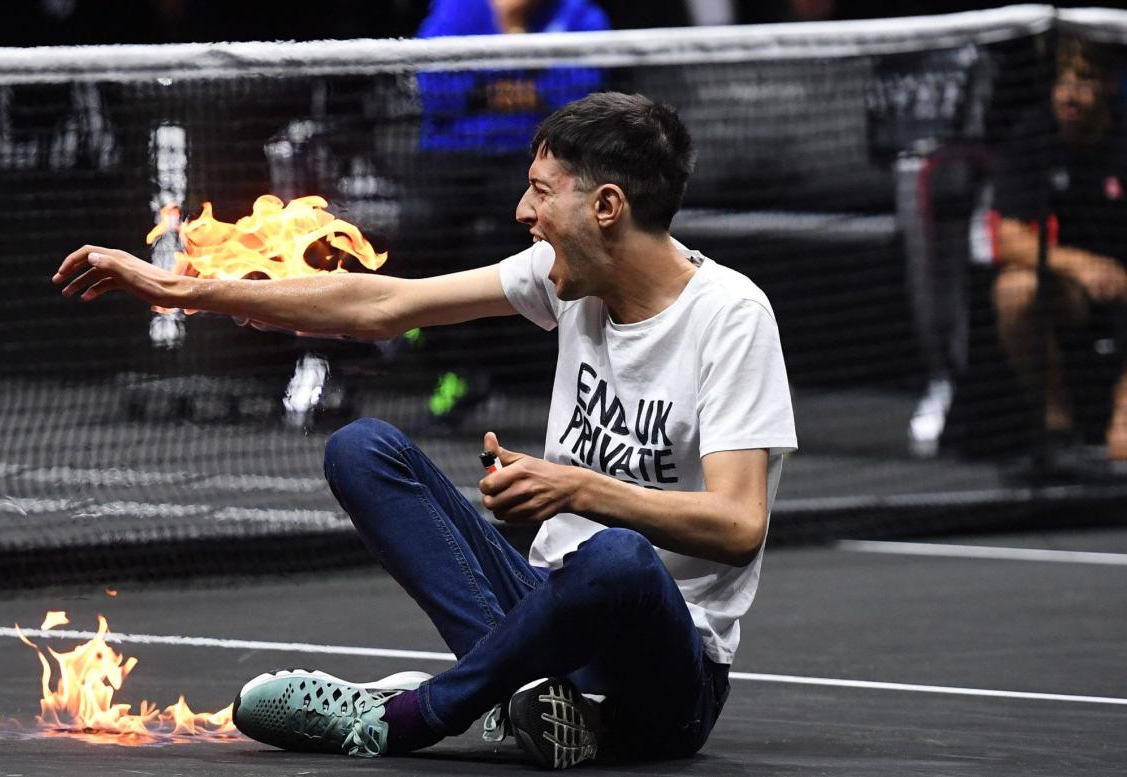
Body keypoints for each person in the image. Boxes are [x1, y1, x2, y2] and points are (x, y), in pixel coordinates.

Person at [53, 92, 797, 768]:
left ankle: (413, 711)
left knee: (620, 560)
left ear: (606, 206)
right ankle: (530, 696)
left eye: (541, 192)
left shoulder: (730, 316)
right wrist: (181, 289)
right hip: (542, 607)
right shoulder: (563, 276)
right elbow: (382, 304)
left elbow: (737, 524)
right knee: (363, 448)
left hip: (666, 676)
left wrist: (576, 487)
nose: (522, 212)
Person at [400, 0, 610, 431]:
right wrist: (522, 86)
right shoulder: (457, 11)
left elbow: (579, 98)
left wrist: (489, 73)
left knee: (499, 254)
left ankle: (465, 374)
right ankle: (417, 338)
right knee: (417, 235)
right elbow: (437, 88)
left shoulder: (579, 15)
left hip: (528, 161)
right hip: (449, 158)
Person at [990, 35, 1127, 463]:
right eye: (1061, 81)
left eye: (1083, 79)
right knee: (1014, 291)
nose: (1070, 94)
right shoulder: (1034, 133)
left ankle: (1122, 416)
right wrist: (1082, 265)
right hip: (1076, 285)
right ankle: (1058, 424)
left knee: (1122, 449)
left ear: (1108, 83)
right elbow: (1007, 237)